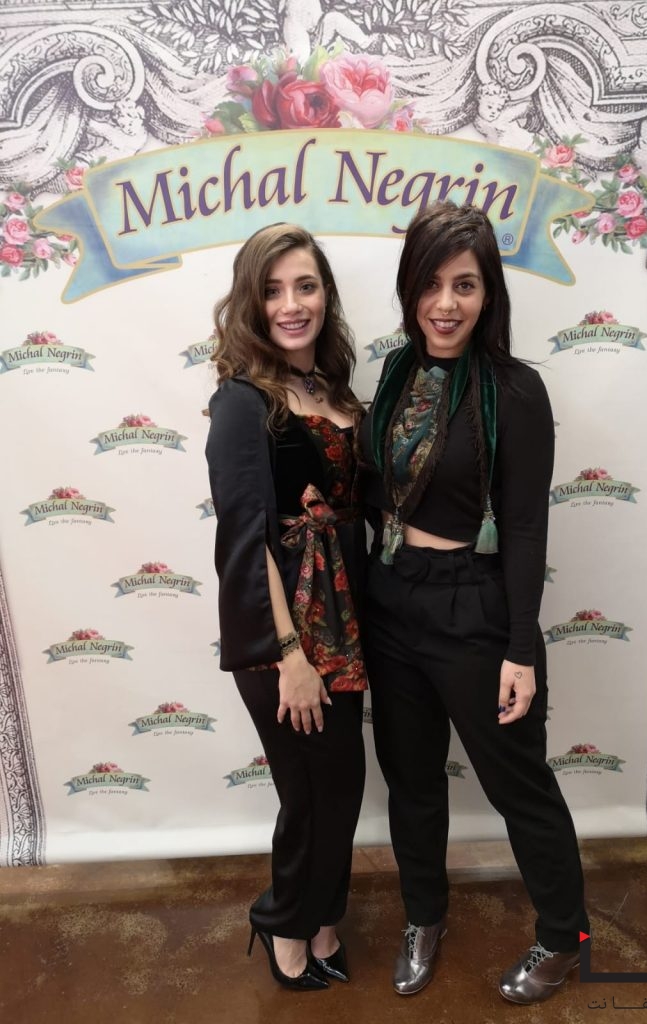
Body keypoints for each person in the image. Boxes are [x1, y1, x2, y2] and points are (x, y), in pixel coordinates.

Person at [359, 201, 590, 1004]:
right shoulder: (396, 373)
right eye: (430, 284)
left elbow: (524, 528)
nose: (445, 303)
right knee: (412, 779)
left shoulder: (516, 391)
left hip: (476, 609)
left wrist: (521, 648)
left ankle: (565, 937)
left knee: (520, 785)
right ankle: (424, 916)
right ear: (410, 289)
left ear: (489, 292)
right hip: (394, 601)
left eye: (464, 284)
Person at [205, 224, 367, 991]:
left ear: (325, 293)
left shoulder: (333, 388)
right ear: (251, 302)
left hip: (346, 624)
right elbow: (246, 539)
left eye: (305, 286)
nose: (291, 304)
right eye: (272, 291)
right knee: (309, 793)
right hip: (287, 638)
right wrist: (288, 656)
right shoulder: (243, 402)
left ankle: (324, 918)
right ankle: (282, 925)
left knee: (343, 785)